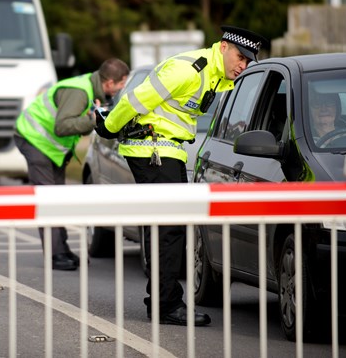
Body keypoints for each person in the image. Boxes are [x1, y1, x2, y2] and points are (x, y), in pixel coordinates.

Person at [95, 26, 266, 326]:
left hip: (163, 150)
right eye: (240, 57)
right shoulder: (188, 70)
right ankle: (167, 304)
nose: (243, 65)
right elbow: (136, 100)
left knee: (165, 227)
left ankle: (162, 301)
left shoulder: (214, 75)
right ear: (224, 47)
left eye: (248, 61)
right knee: (171, 228)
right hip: (153, 150)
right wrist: (108, 127)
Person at [14, 58, 130, 270]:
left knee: (57, 197)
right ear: (111, 82)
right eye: (123, 83)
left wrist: (90, 117)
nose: (123, 88)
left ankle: (62, 249)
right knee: (48, 198)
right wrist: (94, 119)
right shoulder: (79, 92)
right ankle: (55, 254)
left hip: (50, 147)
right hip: (33, 139)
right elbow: (63, 127)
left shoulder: (90, 87)